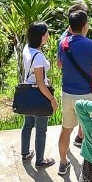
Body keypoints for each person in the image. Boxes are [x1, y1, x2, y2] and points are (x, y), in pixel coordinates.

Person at [56, 4, 92, 177]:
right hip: (86, 95)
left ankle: (62, 163)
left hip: (67, 94)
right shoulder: (91, 44)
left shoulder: (63, 42)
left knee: (66, 130)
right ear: (84, 25)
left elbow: (60, 64)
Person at [20, 21, 57, 168]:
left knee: (28, 124)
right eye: (46, 33)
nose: (48, 35)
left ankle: (25, 153)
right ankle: (40, 160)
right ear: (41, 36)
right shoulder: (39, 57)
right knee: (41, 129)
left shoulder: (27, 49)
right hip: (39, 94)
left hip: (28, 93)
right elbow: (41, 83)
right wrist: (52, 99)